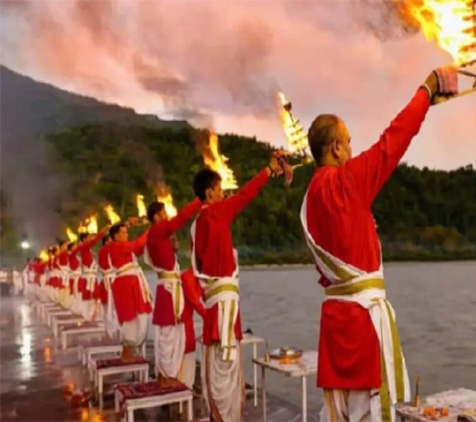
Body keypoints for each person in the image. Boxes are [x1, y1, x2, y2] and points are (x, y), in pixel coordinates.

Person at [300, 66, 458, 421]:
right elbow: (395, 138)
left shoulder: (309, 198)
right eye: (348, 141)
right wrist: (426, 90)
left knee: (338, 413)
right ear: (336, 148)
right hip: (363, 326)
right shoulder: (348, 182)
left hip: (334, 322)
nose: (352, 148)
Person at [190, 150, 287, 421]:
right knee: (226, 370)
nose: (223, 194)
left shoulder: (196, 224)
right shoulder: (216, 213)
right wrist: (268, 171)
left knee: (216, 371)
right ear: (210, 193)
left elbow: (200, 265)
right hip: (224, 308)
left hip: (215, 306)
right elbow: (245, 195)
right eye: (220, 189)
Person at [145, 197, 201, 387]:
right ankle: (168, 376)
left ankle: (164, 374)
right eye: (163, 213)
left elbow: (164, 258)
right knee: (170, 334)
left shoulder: (155, 234)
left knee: (166, 334)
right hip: (169, 291)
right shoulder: (158, 230)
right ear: (156, 216)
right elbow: (182, 217)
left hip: (166, 289)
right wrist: (199, 200)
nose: (166, 216)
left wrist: (171, 249)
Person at [108, 219, 151, 361]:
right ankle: (126, 354)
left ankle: (129, 351)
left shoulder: (123, 248)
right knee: (129, 319)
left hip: (131, 283)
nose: (126, 235)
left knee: (137, 318)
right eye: (124, 233)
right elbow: (136, 244)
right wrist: (151, 229)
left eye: (127, 232)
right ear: (116, 236)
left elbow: (138, 248)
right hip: (125, 285)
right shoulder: (116, 246)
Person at [76, 229, 108, 321]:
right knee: (89, 297)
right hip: (88, 277)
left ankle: (93, 315)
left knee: (95, 296)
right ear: (84, 239)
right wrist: (102, 232)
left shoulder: (88, 249)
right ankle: (88, 316)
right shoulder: (84, 247)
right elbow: (94, 241)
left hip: (92, 277)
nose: (90, 238)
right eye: (88, 237)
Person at [96, 235, 118, 339]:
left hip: (108, 280)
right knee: (112, 309)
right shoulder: (107, 250)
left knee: (107, 310)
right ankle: (112, 332)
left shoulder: (102, 251)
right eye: (110, 240)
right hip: (110, 281)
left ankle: (109, 332)